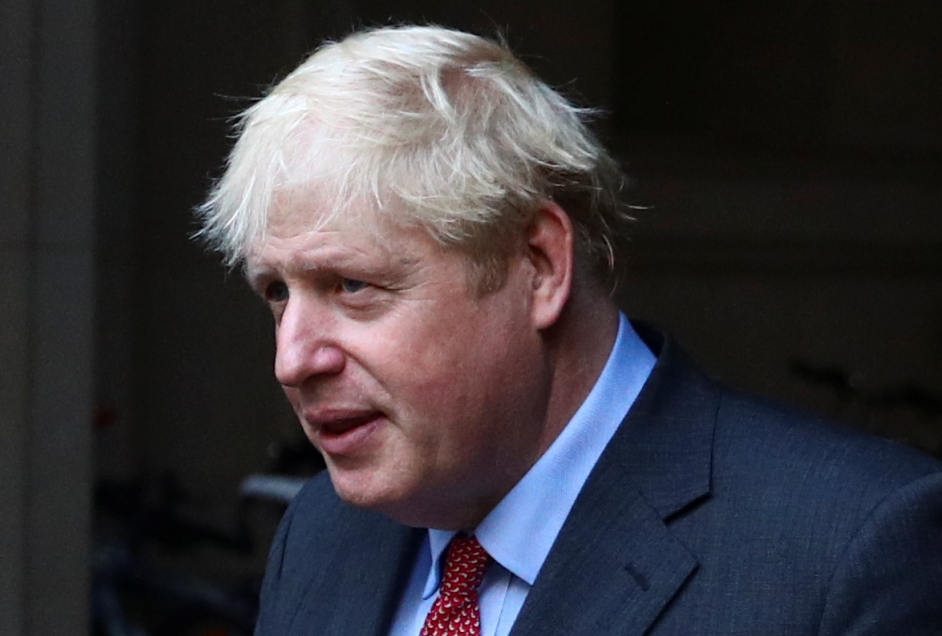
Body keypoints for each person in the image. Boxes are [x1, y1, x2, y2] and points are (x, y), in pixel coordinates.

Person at [197, 25, 942, 636]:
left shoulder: (850, 546)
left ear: (540, 264)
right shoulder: (322, 534)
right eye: (275, 291)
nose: (292, 359)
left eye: (351, 286)